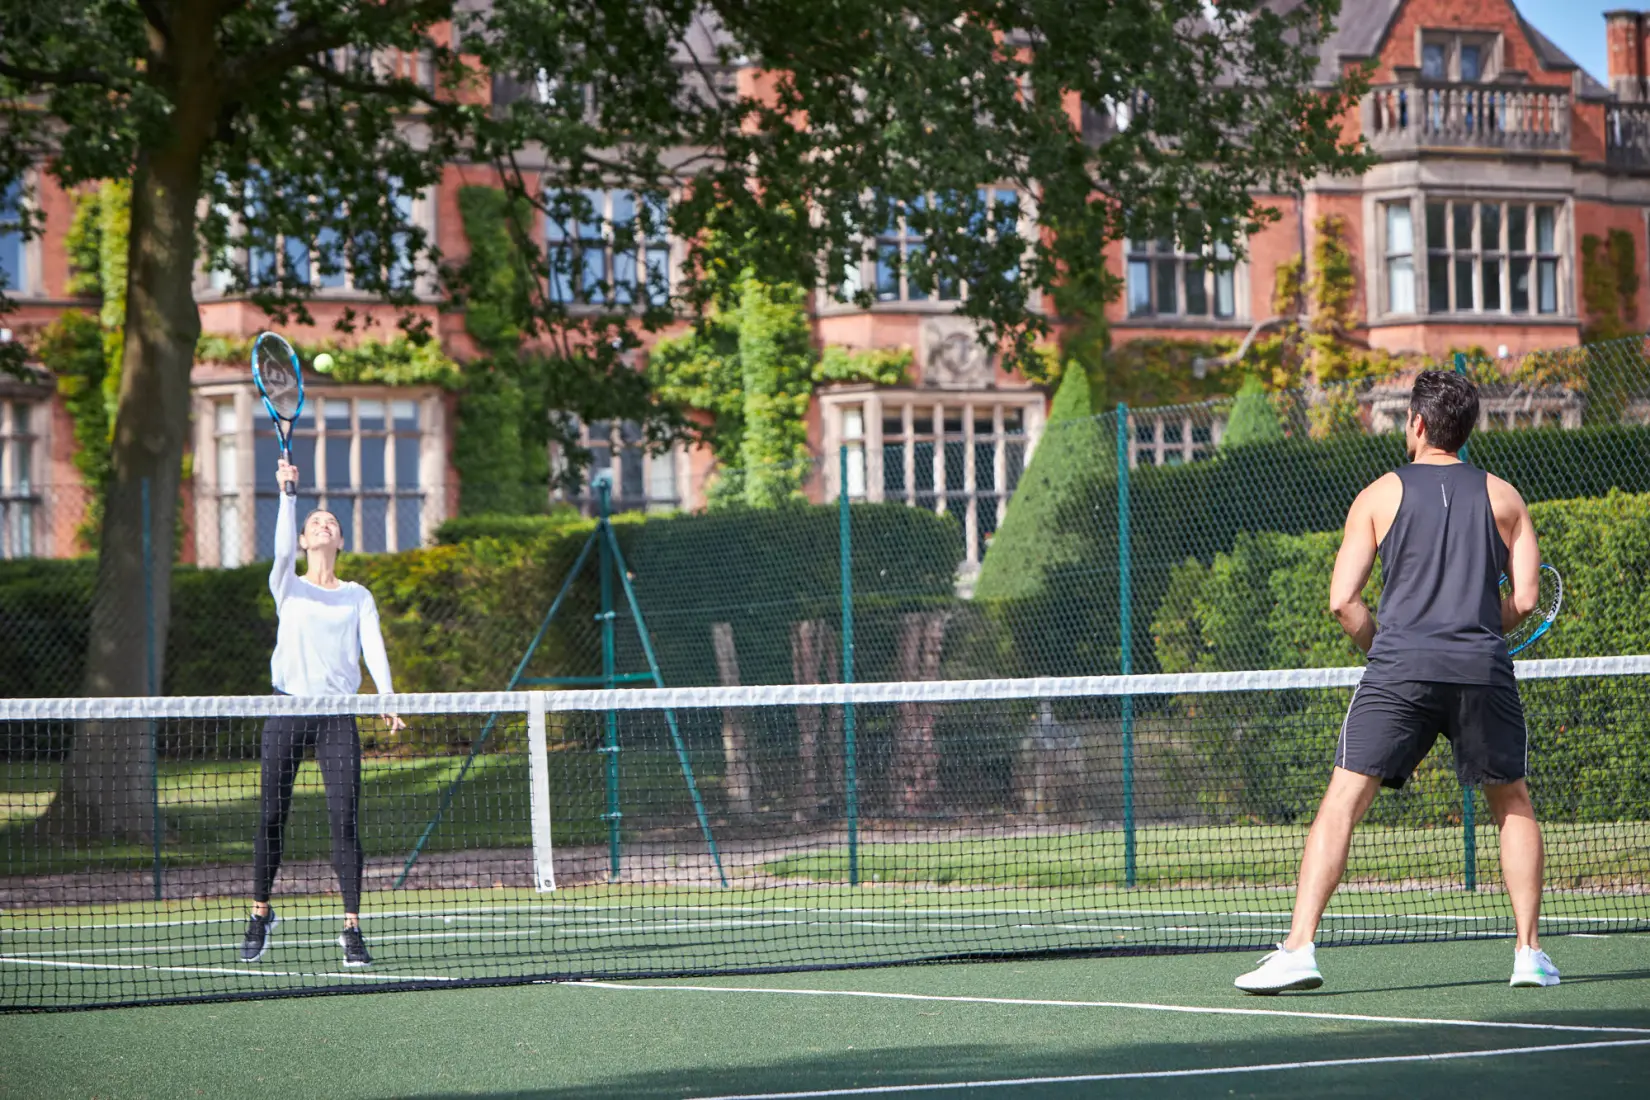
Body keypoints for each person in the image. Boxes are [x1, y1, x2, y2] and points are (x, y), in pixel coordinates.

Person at [1235, 370, 1557, 994]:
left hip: (1398, 671)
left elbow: (1342, 602)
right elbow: (1525, 599)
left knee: (1342, 804)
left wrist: (1388, 648)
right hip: (1481, 670)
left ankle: (1299, 949)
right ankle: (1528, 953)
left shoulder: (1377, 495)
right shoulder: (1507, 499)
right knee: (1511, 802)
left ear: (1415, 424)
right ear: (1467, 429)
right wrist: (1473, 624)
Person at [240, 458, 404, 968]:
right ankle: (261, 912)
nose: (323, 524)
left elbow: (373, 647)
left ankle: (352, 928)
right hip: (288, 710)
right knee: (271, 815)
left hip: (337, 717)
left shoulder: (357, 596)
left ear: (339, 541)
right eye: (315, 523)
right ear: (306, 541)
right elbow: (281, 547)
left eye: (329, 522)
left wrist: (388, 695)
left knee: (345, 820)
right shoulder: (287, 584)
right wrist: (289, 495)